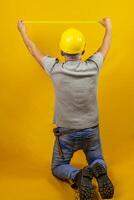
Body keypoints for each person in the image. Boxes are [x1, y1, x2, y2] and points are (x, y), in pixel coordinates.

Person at [17, 18, 114, 200]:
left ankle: (78, 175)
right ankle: (98, 167)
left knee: (57, 167)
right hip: (91, 129)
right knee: (97, 158)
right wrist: (108, 27)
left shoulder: (55, 68)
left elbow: (33, 51)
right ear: (83, 51)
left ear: (61, 51)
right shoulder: (93, 66)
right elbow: (105, 46)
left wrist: (23, 31)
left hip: (67, 133)